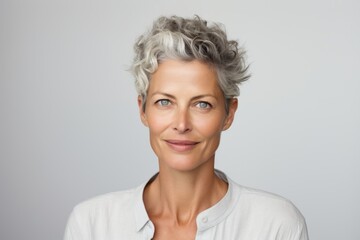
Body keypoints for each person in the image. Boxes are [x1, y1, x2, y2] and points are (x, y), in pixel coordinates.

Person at [64, 15, 309, 240]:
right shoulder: (91, 224)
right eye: (164, 102)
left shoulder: (275, 225)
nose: (182, 124)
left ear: (229, 114)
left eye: (202, 104)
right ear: (142, 109)